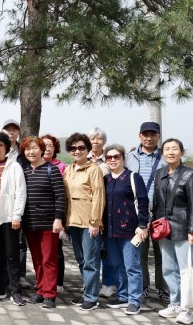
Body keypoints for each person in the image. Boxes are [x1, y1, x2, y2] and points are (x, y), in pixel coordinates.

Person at [155, 138, 193, 324]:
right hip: (164, 230)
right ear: (162, 153)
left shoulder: (190, 175)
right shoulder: (160, 173)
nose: (171, 152)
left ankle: (187, 309)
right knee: (168, 269)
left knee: (186, 271)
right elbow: (157, 202)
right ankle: (175, 303)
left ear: (182, 153)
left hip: (184, 230)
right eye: (167, 149)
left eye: (175, 149)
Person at [102, 144, 149, 315]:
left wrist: (143, 225)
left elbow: (142, 201)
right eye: (109, 157)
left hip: (130, 231)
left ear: (123, 158)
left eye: (116, 156)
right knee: (116, 264)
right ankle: (122, 296)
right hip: (110, 231)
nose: (113, 160)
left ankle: (134, 300)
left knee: (132, 266)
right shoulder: (105, 179)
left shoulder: (133, 177)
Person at [125, 121, 169, 302]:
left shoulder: (165, 156)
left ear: (158, 136)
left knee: (163, 253)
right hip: (137, 213)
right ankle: (142, 286)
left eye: (153, 134)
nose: (149, 138)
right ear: (140, 136)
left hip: (160, 213)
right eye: (145, 134)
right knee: (139, 253)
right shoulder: (130, 157)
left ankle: (164, 288)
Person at [0, 132, 27, 306]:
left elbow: (21, 193)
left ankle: (15, 290)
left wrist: (17, 216)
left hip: (9, 218)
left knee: (11, 255)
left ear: (6, 147)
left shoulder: (14, 166)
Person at [21, 136, 65, 309]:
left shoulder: (51, 170)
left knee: (49, 259)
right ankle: (40, 290)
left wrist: (58, 219)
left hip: (48, 223)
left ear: (41, 150)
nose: (31, 152)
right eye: (27, 149)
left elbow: (60, 196)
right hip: (30, 222)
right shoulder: (24, 171)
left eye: (34, 148)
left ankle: (50, 294)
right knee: (37, 259)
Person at [64, 132, 105, 311]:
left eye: (81, 147)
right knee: (81, 260)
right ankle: (87, 291)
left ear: (88, 149)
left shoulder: (93, 169)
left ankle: (92, 298)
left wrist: (95, 222)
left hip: (89, 222)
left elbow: (98, 196)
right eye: (73, 148)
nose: (77, 151)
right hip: (73, 221)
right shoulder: (69, 169)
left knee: (91, 261)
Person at [86, 127, 114, 299]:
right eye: (92, 138)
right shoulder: (83, 158)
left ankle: (108, 284)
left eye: (99, 139)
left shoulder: (110, 159)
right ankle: (90, 283)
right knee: (90, 251)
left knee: (106, 250)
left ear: (104, 141)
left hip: (107, 210)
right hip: (88, 211)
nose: (95, 142)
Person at [41, 133, 67, 293]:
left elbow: (62, 193)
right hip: (39, 216)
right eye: (44, 146)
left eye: (50, 146)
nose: (47, 149)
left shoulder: (61, 166)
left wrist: (60, 218)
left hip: (55, 214)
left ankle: (58, 282)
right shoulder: (34, 165)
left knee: (56, 250)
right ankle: (44, 281)